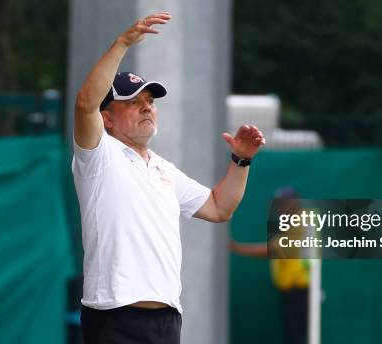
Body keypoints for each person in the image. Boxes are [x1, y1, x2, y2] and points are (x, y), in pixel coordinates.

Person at [72, 12, 265, 344]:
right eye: (133, 102)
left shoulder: (164, 169)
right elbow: (85, 104)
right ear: (107, 119)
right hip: (114, 316)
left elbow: (220, 208)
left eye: (149, 101)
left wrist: (241, 160)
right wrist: (122, 44)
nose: (146, 107)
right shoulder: (98, 155)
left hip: (166, 319)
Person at [230, 187, 309, 344]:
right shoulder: (293, 222)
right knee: (293, 335)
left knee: (296, 336)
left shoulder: (301, 222)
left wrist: (237, 247)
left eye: (283, 204)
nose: (279, 208)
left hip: (298, 288)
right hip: (292, 289)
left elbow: (275, 250)